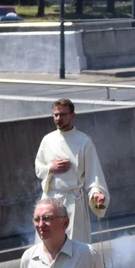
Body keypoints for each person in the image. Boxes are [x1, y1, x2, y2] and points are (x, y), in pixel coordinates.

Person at [35, 99, 109, 244]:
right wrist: (51, 168)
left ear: (72, 116)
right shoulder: (47, 140)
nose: (58, 119)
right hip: (51, 198)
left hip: (73, 202)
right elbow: (39, 170)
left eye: (62, 115)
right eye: (55, 115)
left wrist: (96, 194)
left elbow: (93, 175)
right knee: (48, 244)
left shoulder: (84, 141)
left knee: (75, 247)